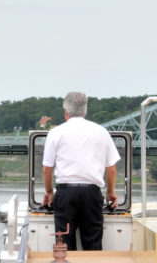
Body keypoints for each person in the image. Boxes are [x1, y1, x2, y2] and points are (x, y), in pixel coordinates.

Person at [41, 92, 120, 251]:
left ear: (66, 112)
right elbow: (111, 169)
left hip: (65, 194)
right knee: (93, 245)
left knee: (64, 244)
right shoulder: (101, 132)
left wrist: (50, 192)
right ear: (85, 111)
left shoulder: (55, 133)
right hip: (92, 194)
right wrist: (110, 192)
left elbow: (47, 169)